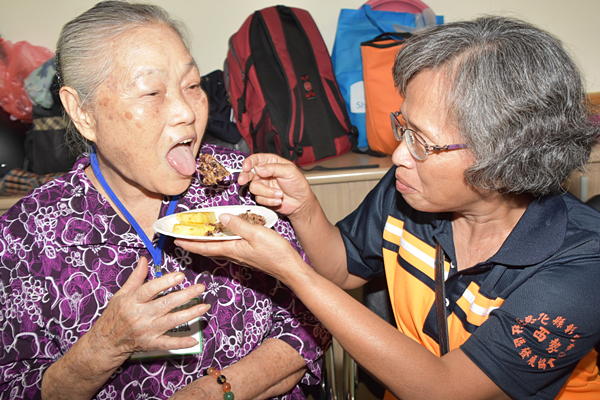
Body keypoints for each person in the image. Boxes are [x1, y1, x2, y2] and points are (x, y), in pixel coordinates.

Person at [178, 16, 600, 399]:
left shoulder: (582, 264)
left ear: (502, 162)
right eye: (404, 128)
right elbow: (343, 268)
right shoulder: (412, 191)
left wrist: (291, 270)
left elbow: (445, 390)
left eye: (421, 140)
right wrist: (303, 207)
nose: (399, 155)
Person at [0, 2, 330, 399]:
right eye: (152, 91)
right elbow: (15, 387)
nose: (185, 112)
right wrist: (103, 347)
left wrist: (219, 391)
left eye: (192, 86)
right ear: (82, 112)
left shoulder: (241, 186)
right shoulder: (25, 235)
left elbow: (313, 320)